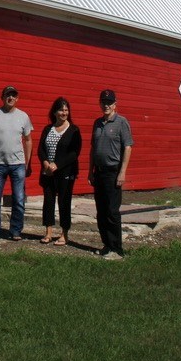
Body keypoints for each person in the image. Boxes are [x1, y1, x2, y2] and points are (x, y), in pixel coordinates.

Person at [0, 85, 34, 241]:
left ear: (17, 98)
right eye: (7, 95)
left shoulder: (23, 116)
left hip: (18, 164)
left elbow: (29, 140)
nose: (10, 98)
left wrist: (28, 163)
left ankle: (15, 231)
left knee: (18, 199)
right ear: (3, 98)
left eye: (13, 96)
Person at [88, 88, 133, 260]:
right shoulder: (97, 123)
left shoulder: (121, 122)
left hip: (113, 172)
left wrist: (122, 172)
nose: (106, 105)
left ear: (115, 104)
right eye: (103, 102)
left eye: (109, 102)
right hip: (98, 172)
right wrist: (90, 171)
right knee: (101, 210)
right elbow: (93, 148)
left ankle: (117, 248)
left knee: (112, 211)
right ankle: (106, 244)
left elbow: (128, 147)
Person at [38, 96, 82, 246]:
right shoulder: (47, 129)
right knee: (48, 201)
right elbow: (41, 149)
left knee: (64, 201)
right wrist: (45, 164)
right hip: (47, 172)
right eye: (61, 110)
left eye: (66, 110)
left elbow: (74, 153)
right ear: (55, 112)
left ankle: (64, 234)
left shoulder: (74, 130)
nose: (64, 112)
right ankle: (48, 232)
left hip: (65, 172)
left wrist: (57, 164)